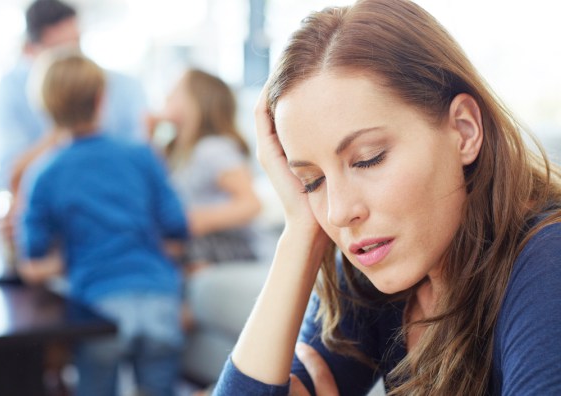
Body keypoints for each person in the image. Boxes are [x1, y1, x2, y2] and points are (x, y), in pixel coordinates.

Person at [213, 0, 561, 395]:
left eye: (368, 159)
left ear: (464, 131)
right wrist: (300, 234)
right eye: (312, 181)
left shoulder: (549, 261)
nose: (340, 211)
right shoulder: (369, 268)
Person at [16, 50, 189, 396]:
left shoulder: (44, 174)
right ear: (101, 98)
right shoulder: (141, 155)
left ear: (45, 109)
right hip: (160, 301)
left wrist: (68, 255)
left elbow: (32, 254)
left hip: (99, 311)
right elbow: (177, 227)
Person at [0, 0, 147, 188]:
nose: (72, 60)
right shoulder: (10, 89)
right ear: (30, 50)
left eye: (77, 45)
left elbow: (142, 158)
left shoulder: (121, 86)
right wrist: (66, 129)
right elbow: (12, 176)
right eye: (59, 51)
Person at [150, 69, 262, 272]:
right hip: (201, 245)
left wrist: (192, 221)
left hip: (229, 246)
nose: (167, 96)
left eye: (175, 92)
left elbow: (251, 204)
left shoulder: (212, 149)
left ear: (196, 102)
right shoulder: (178, 152)